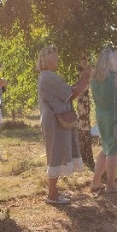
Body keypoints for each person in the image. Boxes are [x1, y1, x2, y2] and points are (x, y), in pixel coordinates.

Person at [37, 45, 92, 205]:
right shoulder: (48, 77)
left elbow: (68, 90)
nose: (58, 59)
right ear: (47, 59)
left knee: (55, 154)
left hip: (54, 121)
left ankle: (53, 193)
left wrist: (82, 79)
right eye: (55, 56)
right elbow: (72, 93)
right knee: (55, 155)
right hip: (55, 122)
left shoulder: (47, 76)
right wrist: (86, 77)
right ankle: (52, 195)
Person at [90, 48, 117, 193]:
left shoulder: (95, 77)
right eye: (116, 59)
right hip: (116, 116)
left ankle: (96, 181)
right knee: (114, 150)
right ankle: (111, 185)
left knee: (105, 148)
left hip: (101, 116)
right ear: (111, 61)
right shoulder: (115, 77)